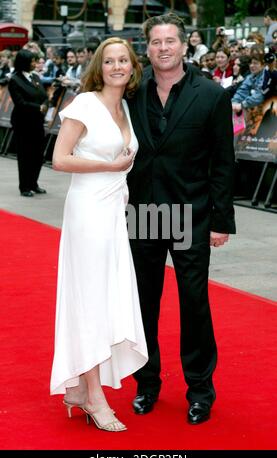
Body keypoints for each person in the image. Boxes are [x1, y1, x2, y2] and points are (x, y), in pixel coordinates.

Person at [127, 13, 236, 425]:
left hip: (191, 212)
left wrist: (221, 220)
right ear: (147, 47)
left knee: (194, 303)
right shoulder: (131, 93)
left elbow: (224, 162)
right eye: (156, 42)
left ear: (184, 45)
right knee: (144, 304)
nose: (164, 48)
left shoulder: (210, 94)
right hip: (146, 211)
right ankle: (147, 384)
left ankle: (200, 392)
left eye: (171, 40)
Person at [50, 37, 148, 432]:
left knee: (106, 297)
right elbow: (60, 159)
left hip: (113, 213)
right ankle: (93, 396)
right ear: (99, 67)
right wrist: (107, 168)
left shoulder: (125, 106)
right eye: (109, 61)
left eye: (123, 59)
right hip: (88, 212)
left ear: (132, 66)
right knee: (90, 300)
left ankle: (77, 388)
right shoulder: (85, 103)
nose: (117, 66)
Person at [8, 49, 48, 197]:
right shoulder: (15, 80)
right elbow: (20, 103)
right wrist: (39, 107)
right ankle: (24, 186)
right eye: (32, 61)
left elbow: (44, 95)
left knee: (38, 155)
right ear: (24, 62)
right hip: (23, 124)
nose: (35, 63)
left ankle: (34, 183)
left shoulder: (36, 77)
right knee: (25, 155)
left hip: (37, 122)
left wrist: (45, 104)